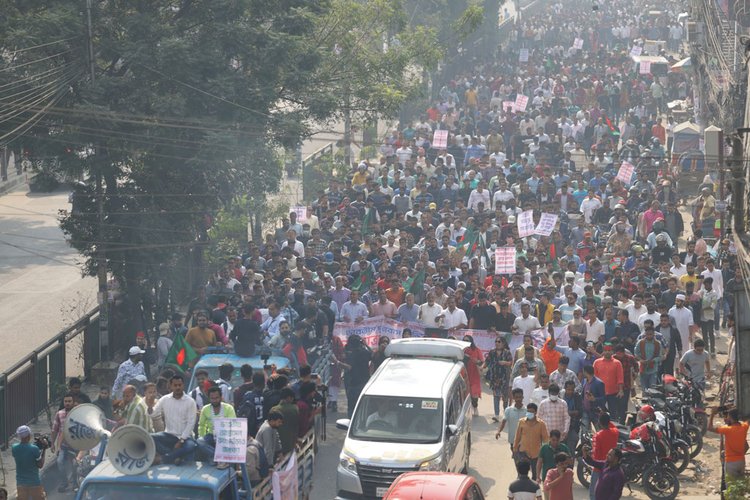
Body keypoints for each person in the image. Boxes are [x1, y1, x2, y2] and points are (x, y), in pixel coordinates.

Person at [150, 374, 198, 465]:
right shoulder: (165, 399)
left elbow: (191, 423)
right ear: (171, 386)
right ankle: (176, 456)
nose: (177, 387)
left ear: (183, 385)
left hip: (186, 437)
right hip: (169, 435)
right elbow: (153, 414)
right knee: (151, 437)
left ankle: (164, 458)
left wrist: (181, 440)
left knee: (191, 446)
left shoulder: (190, 401)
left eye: (180, 385)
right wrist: (149, 405)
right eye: (175, 385)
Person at [196, 386, 237, 465]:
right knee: (199, 441)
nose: (215, 400)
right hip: (211, 436)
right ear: (209, 398)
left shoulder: (229, 408)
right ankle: (217, 457)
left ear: (221, 397)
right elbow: (201, 425)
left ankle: (215, 458)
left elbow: (233, 424)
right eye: (212, 398)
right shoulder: (205, 409)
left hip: (226, 436)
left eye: (217, 398)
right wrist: (202, 437)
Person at [708, 407, 749, 479]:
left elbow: (709, 428)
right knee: (739, 485)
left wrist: (712, 414)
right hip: (741, 461)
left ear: (730, 417)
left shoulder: (727, 430)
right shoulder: (744, 427)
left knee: (731, 485)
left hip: (730, 462)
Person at [513, 403, 549, 481]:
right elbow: (517, 436)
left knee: (535, 475)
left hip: (536, 453)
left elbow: (546, 439)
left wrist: (545, 452)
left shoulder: (541, 424)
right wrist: (515, 448)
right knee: (522, 473)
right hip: (523, 452)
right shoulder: (521, 422)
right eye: (528, 411)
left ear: (536, 412)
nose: (529, 413)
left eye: (531, 411)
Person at [588, 413, 620, 500]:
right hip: (611, 466)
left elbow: (596, 454)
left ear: (599, 422)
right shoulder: (615, 432)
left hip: (599, 468)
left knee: (593, 493)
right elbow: (612, 426)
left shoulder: (598, 436)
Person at [12, 425, 46, 500]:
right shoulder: (34, 449)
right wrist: (44, 449)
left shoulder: (14, 448)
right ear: (28, 435)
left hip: (20, 483)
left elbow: (23, 452)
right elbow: (40, 465)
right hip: (34, 482)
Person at [485, 336, 513, 421]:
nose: (497, 343)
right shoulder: (492, 352)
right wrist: (482, 367)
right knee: (496, 396)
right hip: (494, 377)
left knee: (505, 397)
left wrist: (505, 362)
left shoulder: (507, 353)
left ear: (503, 343)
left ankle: (506, 414)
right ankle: (496, 415)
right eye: (496, 341)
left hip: (504, 377)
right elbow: (487, 361)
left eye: (499, 341)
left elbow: (511, 362)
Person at [343, 335, 371, 418]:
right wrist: (366, 345)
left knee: (352, 408)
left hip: (354, 384)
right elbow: (372, 355)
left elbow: (348, 367)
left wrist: (336, 362)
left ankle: (350, 425)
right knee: (363, 408)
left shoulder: (353, 355)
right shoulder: (365, 352)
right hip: (365, 383)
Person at [271, 387, 299, 454]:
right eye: (292, 398)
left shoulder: (273, 409)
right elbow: (296, 427)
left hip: (276, 444)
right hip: (289, 442)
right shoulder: (294, 409)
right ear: (289, 397)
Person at [463, 335, 484, 416]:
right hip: (464, 375)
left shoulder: (477, 350)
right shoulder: (461, 350)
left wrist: (475, 361)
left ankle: (475, 407)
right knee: (465, 394)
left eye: (467, 340)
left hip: (474, 375)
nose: (466, 342)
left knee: (474, 395)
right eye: (464, 340)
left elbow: (482, 362)